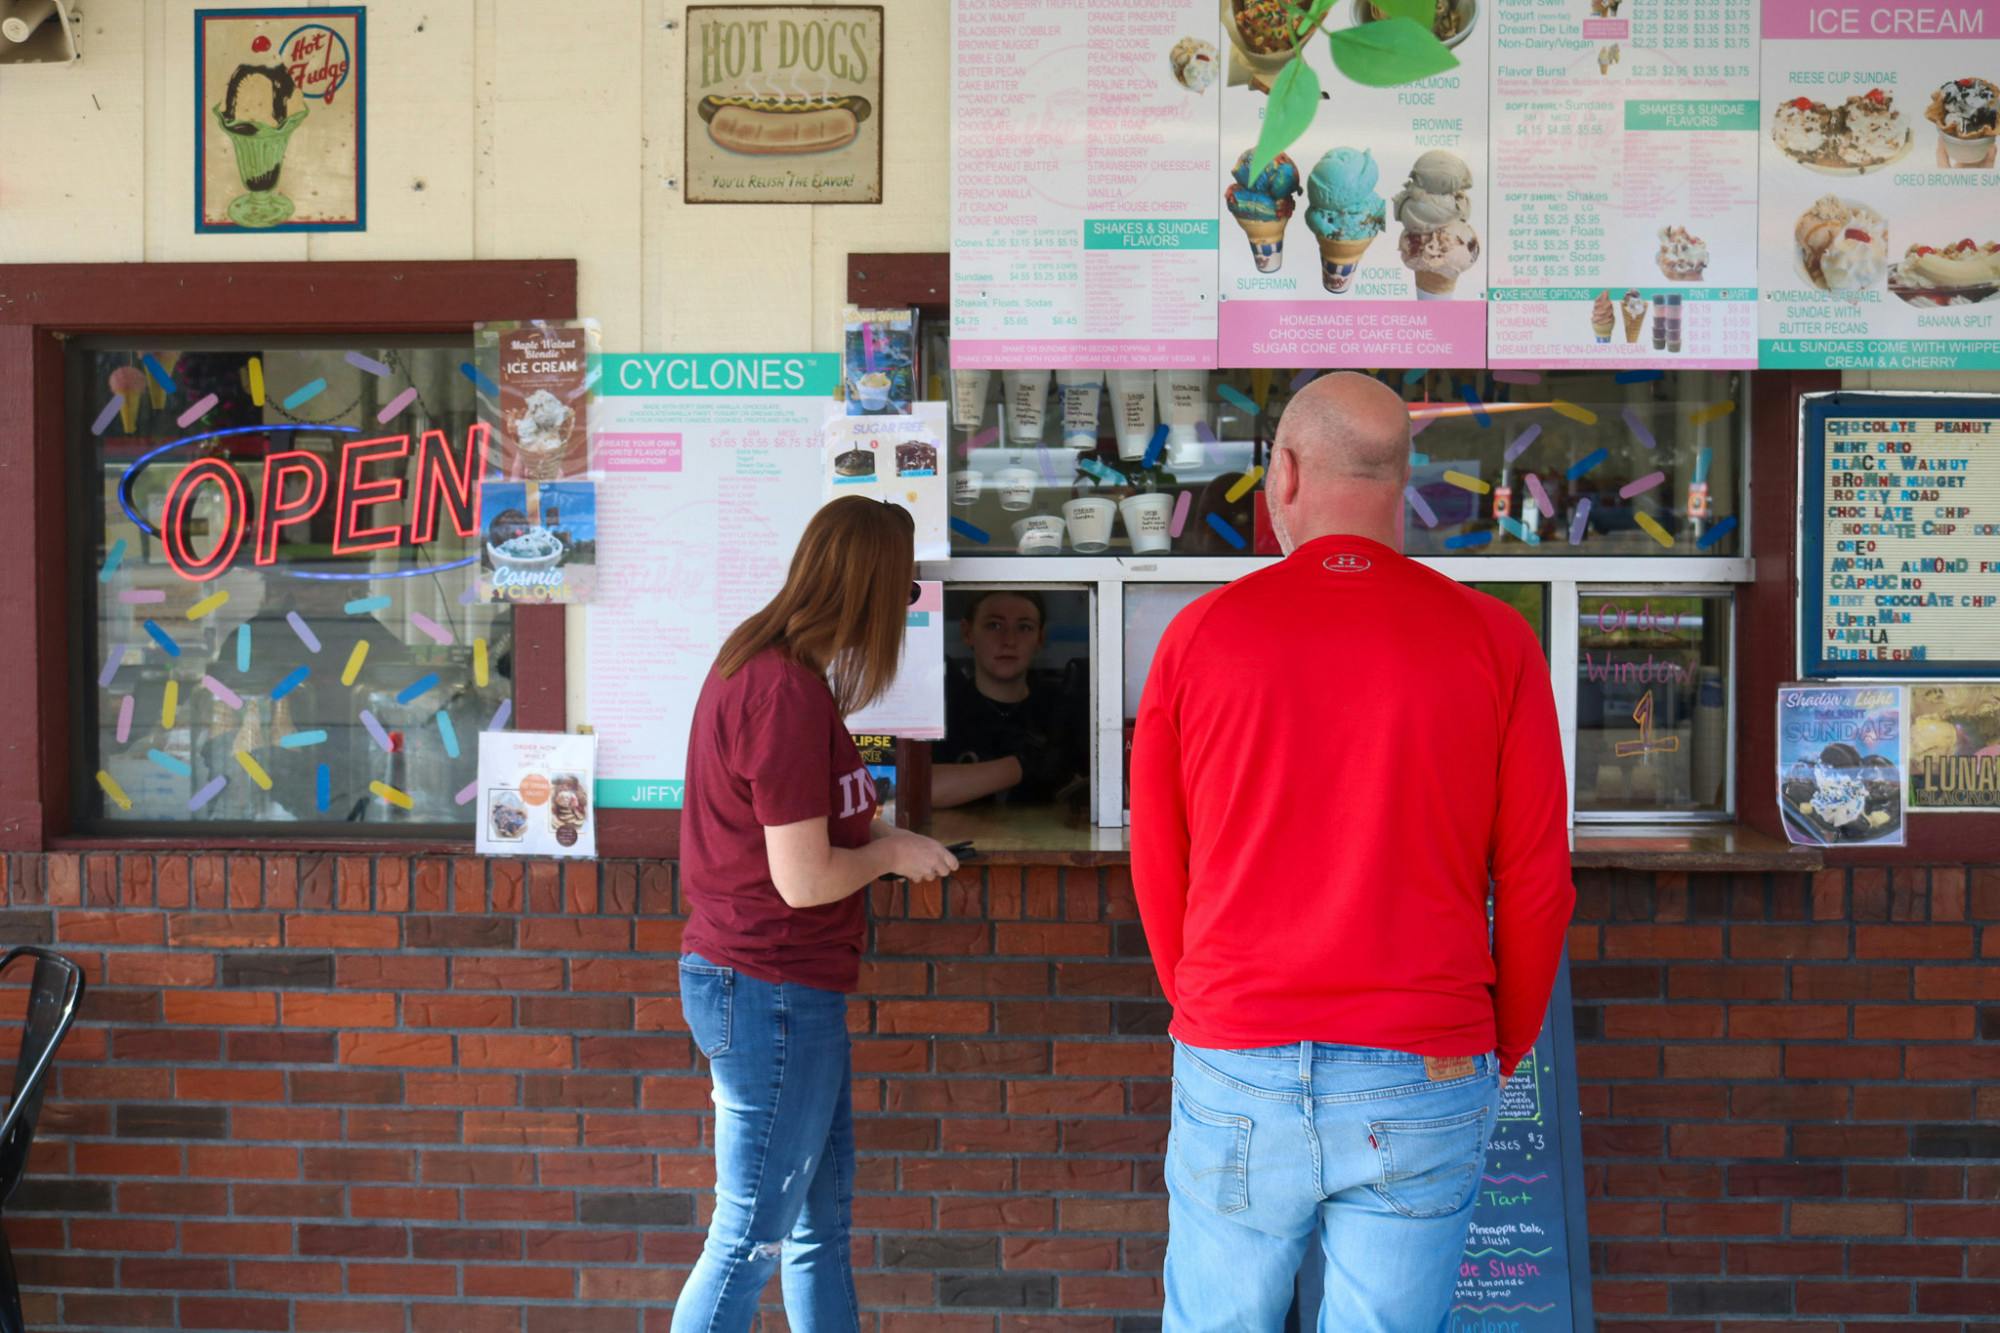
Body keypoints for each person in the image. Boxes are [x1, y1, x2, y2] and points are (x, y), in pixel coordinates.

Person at [1130, 372, 1575, 1333]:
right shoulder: (1496, 640)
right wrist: (1499, 1044)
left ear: (1285, 474)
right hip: (1427, 1056)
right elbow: (1538, 882)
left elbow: (1159, 861)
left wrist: (1205, 1006)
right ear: (1403, 480)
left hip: (1237, 1042)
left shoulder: (1200, 635)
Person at [674, 496, 961, 1333]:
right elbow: (802, 879)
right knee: (750, 1237)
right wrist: (891, 855)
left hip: (776, 985)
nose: (906, 604)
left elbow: (799, 826)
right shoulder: (784, 693)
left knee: (815, 1231)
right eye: (904, 587)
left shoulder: (768, 667)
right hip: (771, 986)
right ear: (869, 586)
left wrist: (875, 830)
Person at [931, 590, 1088, 808]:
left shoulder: (1061, 712)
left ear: (1040, 637)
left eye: (1024, 627)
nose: (1009, 641)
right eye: (994, 625)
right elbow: (915, 788)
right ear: (967, 633)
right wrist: (1024, 765)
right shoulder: (944, 711)